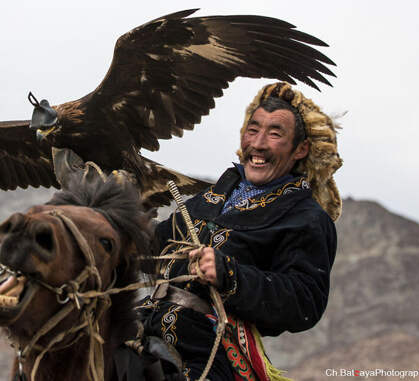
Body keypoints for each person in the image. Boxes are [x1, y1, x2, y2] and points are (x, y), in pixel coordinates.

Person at [138, 82, 342, 381]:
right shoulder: (211, 197)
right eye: (253, 129)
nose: (258, 143)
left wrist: (229, 274)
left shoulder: (306, 218)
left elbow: (305, 301)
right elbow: (155, 245)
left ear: (301, 149)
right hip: (143, 324)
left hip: (209, 350)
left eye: (275, 134)